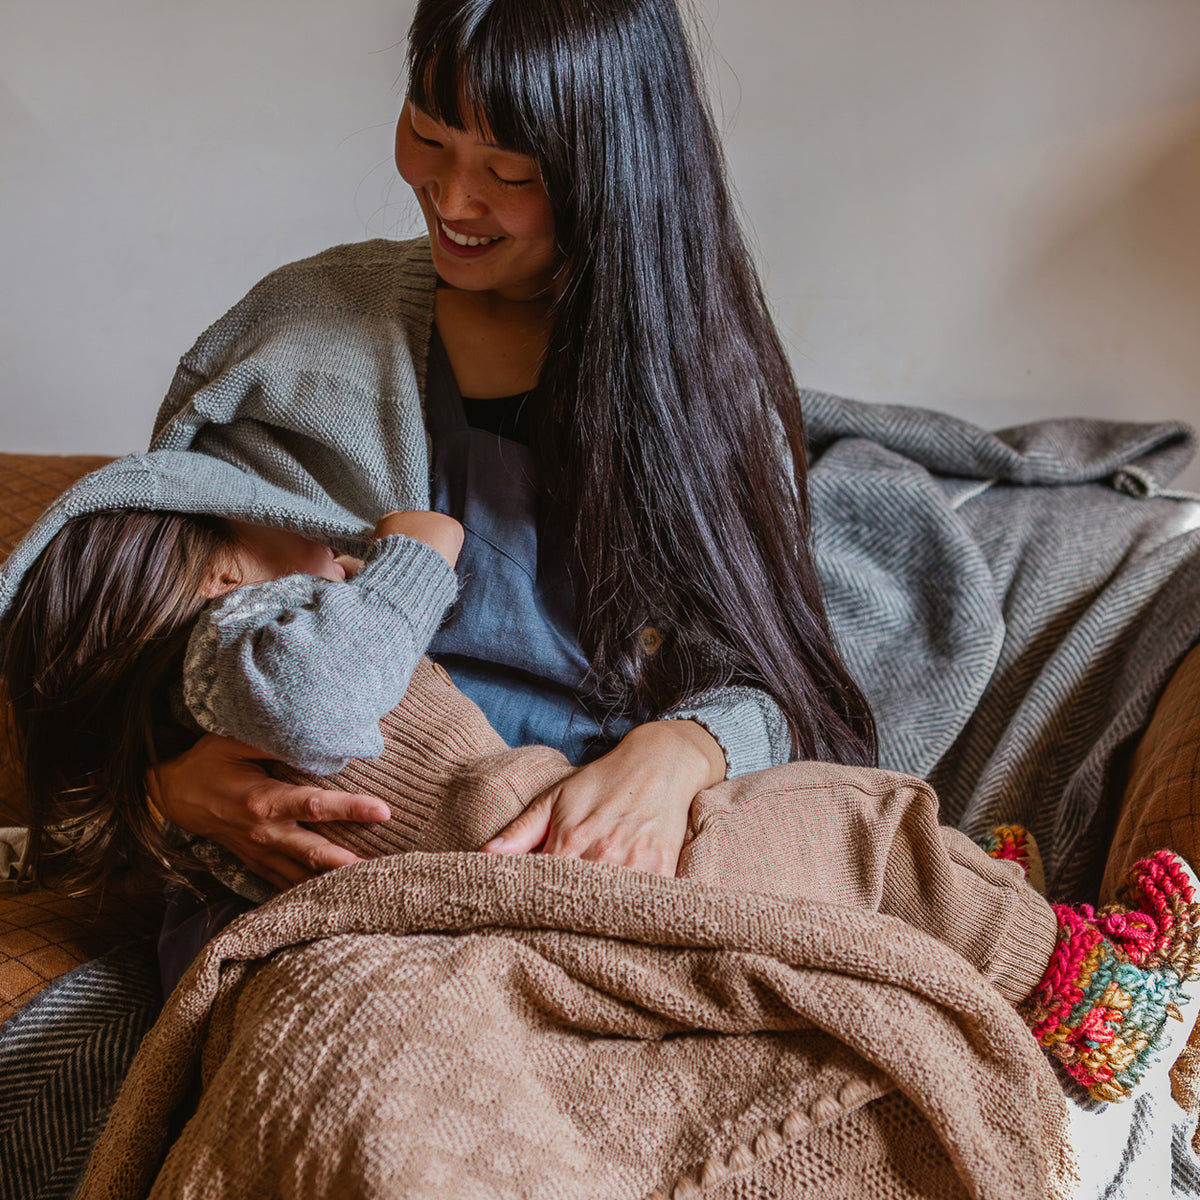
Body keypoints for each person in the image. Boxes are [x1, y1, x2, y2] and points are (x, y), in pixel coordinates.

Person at [1, 461, 1197, 1106]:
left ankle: (989, 923)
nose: (327, 547)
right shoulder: (258, 645)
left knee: (852, 861)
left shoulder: (207, 780)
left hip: (539, 864)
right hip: (557, 855)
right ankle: (1096, 990)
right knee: (863, 819)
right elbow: (327, 689)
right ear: (217, 586)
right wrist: (420, 548)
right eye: (266, 531)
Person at [143, 0, 878, 891]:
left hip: (609, 857)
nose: (453, 200)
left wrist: (687, 746)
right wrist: (167, 791)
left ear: (614, 172)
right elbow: (149, 631)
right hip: (341, 871)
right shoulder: (292, 342)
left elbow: (783, 689)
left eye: (510, 173)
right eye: (429, 135)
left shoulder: (703, 390)